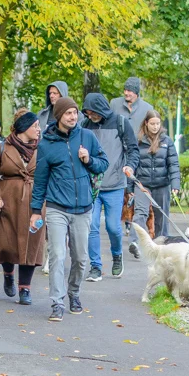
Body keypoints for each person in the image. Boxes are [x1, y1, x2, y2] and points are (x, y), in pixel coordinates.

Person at [30, 96, 107, 321]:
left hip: (83, 208)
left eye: (75, 113)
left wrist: (89, 160)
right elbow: (40, 180)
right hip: (57, 208)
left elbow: (103, 163)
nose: (73, 117)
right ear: (59, 116)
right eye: (68, 113)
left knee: (81, 258)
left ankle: (74, 293)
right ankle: (57, 302)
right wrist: (35, 211)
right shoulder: (46, 144)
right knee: (57, 255)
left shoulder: (87, 136)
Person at [0, 110, 43, 305]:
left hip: (35, 202)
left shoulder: (42, 148)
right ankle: (8, 273)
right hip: (8, 200)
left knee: (32, 243)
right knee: (7, 242)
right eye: (35, 126)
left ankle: (25, 288)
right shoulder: (2, 148)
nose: (39, 129)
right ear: (24, 128)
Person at [81, 93, 137, 281]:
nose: (90, 116)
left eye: (93, 112)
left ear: (101, 108)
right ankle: (95, 266)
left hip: (115, 184)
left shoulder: (121, 123)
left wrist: (130, 166)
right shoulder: (85, 125)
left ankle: (117, 255)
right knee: (92, 226)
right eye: (87, 113)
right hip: (92, 185)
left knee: (113, 227)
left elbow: (133, 149)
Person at [129, 110, 181, 258]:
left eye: (157, 123)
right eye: (152, 123)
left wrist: (175, 185)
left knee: (161, 216)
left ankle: (161, 245)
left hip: (162, 184)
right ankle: (136, 242)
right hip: (142, 184)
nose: (155, 126)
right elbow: (132, 163)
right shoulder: (138, 141)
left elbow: (173, 164)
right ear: (146, 123)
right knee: (140, 213)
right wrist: (129, 186)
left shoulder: (167, 141)